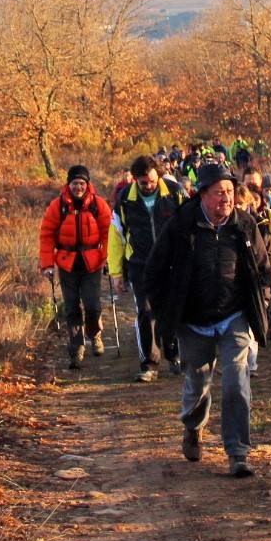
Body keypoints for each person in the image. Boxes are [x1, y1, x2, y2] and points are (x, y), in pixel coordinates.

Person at [146, 161, 271, 477]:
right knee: (198, 382)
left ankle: (237, 452)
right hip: (193, 319)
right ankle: (192, 427)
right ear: (202, 195)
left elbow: (265, 270)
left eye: (230, 192)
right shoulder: (181, 225)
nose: (226, 199)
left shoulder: (243, 225)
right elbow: (154, 272)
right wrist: (166, 312)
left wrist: (263, 302)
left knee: (236, 381)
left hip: (234, 315)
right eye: (219, 193)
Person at [108, 155, 186, 382]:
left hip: (172, 261)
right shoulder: (124, 200)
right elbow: (116, 237)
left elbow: (189, 225)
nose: (149, 186)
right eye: (144, 183)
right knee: (145, 310)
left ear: (158, 176)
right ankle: (149, 363)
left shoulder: (175, 192)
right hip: (140, 263)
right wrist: (116, 273)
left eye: (152, 180)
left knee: (173, 308)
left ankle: (175, 355)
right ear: (135, 180)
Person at [38, 165, 114, 369]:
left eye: (82, 183)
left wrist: (107, 257)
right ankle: (76, 347)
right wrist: (47, 264)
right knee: (71, 308)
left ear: (87, 184)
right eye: (74, 183)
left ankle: (94, 335)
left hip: (92, 263)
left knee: (92, 306)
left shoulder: (98, 205)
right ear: (68, 184)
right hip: (66, 263)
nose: (78, 187)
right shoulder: (58, 206)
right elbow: (46, 235)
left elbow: (109, 232)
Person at [236, 166, 271, 359]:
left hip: (269, 253)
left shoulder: (269, 209)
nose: (252, 186)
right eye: (248, 182)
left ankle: (267, 324)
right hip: (248, 258)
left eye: (255, 183)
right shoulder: (239, 205)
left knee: (269, 291)